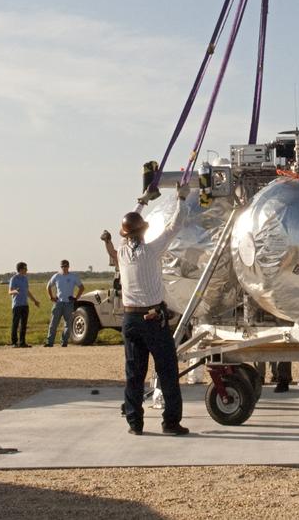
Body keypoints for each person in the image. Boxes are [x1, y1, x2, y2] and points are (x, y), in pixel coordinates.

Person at [112, 183, 191, 436]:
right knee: (167, 370)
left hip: (130, 319)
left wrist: (142, 201)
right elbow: (174, 226)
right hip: (152, 319)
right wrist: (180, 197)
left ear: (125, 234)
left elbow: (125, 227)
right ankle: (170, 422)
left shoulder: (122, 253)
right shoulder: (151, 251)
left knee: (134, 373)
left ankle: (135, 424)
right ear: (144, 231)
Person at [45, 260, 85, 347]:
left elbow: (81, 287)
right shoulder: (56, 276)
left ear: (68, 266)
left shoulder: (73, 276)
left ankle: (64, 342)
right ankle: (49, 342)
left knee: (68, 324)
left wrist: (76, 298)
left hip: (69, 303)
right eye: (63, 266)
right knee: (53, 323)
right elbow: (48, 286)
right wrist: (51, 297)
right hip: (58, 303)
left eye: (66, 266)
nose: (64, 268)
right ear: (60, 267)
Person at [8, 261, 40, 348]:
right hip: (17, 305)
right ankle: (14, 342)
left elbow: (27, 292)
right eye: (25, 268)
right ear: (21, 269)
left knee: (24, 324)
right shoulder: (14, 279)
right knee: (15, 324)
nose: (27, 270)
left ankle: (22, 342)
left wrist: (34, 301)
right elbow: (10, 291)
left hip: (25, 304)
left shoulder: (25, 279)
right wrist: (15, 291)